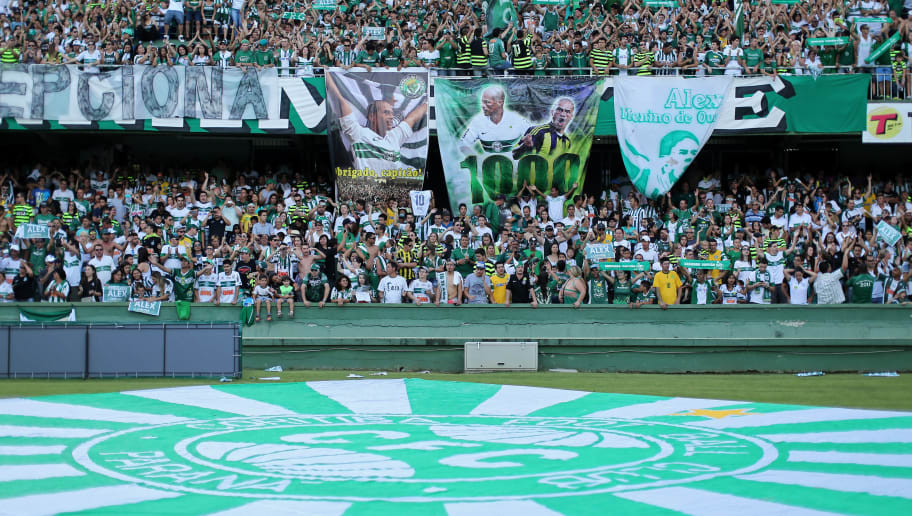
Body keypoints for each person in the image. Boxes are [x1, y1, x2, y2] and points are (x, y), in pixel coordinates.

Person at [324, 72, 428, 176]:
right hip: (366, 189)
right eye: (386, 112)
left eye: (392, 113)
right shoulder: (359, 133)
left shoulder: (395, 136)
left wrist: (428, 102)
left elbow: (413, 118)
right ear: (372, 116)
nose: (391, 117)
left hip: (391, 189)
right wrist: (327, 74)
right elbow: (340, 100)